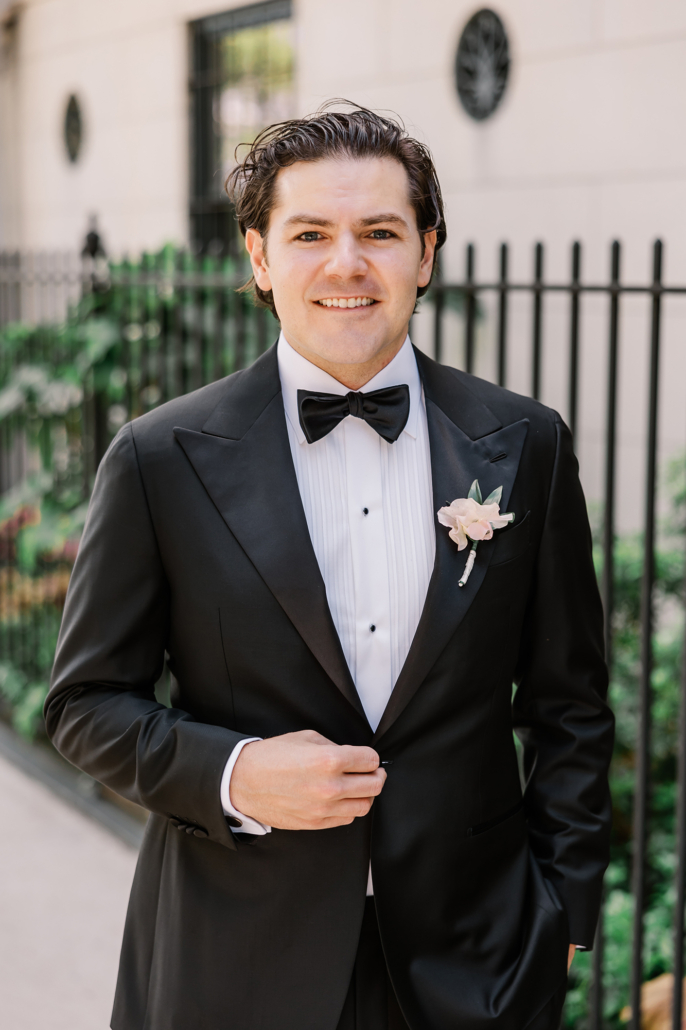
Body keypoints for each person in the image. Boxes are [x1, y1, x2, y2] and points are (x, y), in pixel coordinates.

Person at [45, 104, 614, 1030]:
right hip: (232, 961)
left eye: (379, 233)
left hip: (475, 963)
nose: (347, 264)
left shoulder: (526, 444)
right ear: (260, 258)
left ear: (424, 254)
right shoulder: (160, 457)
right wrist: (234, 772)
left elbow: (570, 707)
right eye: (310, 233)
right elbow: (83, 706)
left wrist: (564, 920)